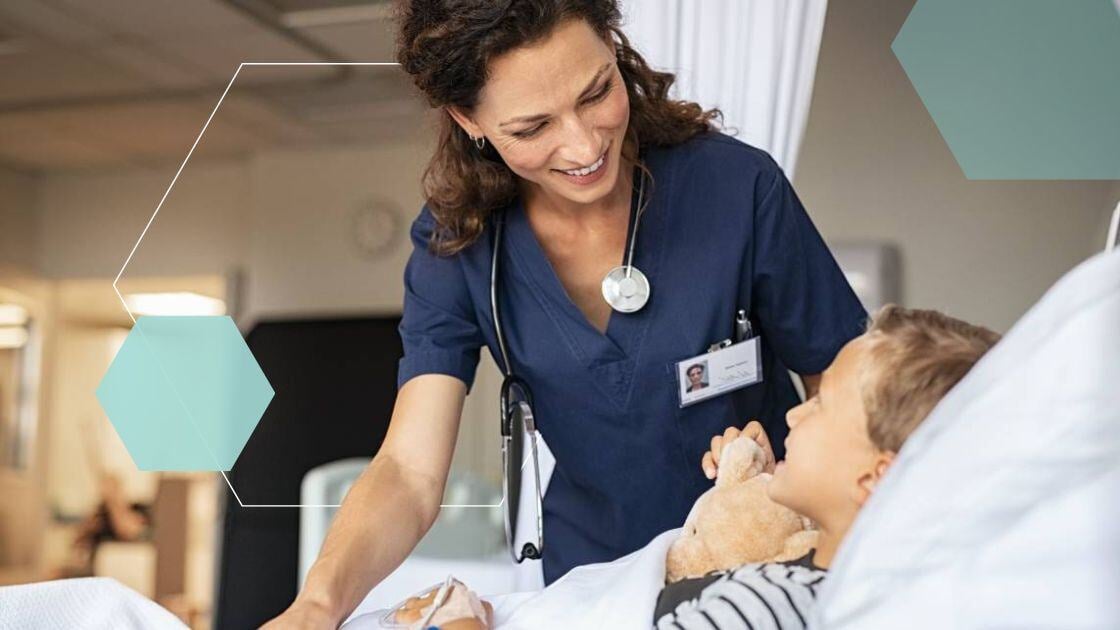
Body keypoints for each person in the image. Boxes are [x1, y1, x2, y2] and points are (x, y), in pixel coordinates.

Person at [264, 1, 866, 627]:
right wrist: (318, 604)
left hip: (762, 574)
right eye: (532, 128)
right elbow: (410, 471)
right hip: (593, 591)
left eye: (597, 91)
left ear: (613, 45)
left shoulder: (736, 190)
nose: (583, 145)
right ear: (469, 119)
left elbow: (853, 399)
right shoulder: (460, 244)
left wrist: (800, 478)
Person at [654, 305, 1001, 629]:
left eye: (820, 404)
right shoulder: (836, 581)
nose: (793, 415)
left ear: (873, 479)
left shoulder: (762, 605)